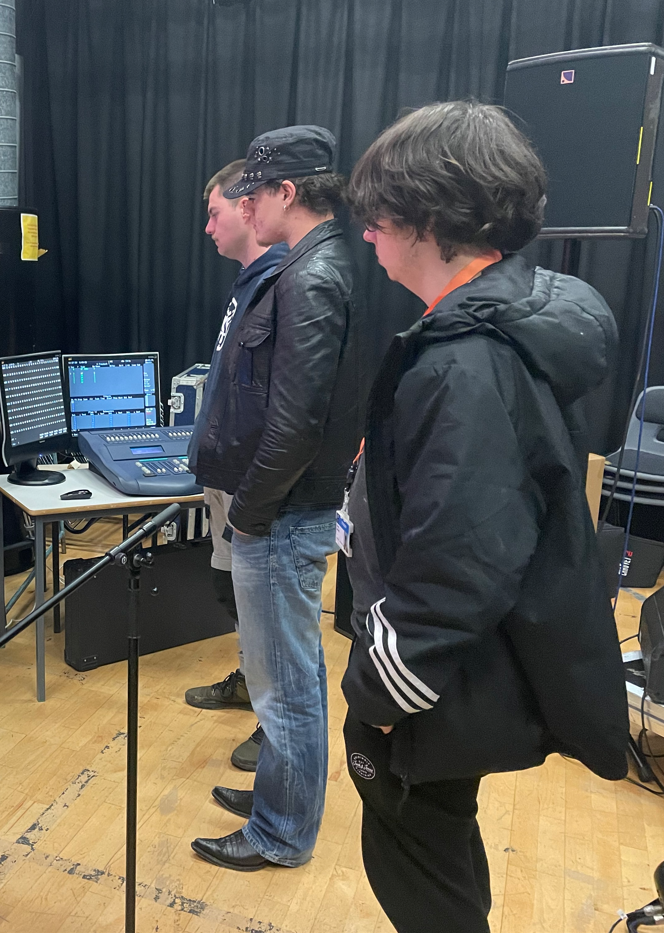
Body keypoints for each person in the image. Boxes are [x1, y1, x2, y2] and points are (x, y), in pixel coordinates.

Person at [342, 100, 628, 931]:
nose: (368, 235)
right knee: (438, 850)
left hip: (432, 679)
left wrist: (378, 691)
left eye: (381, 217)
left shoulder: (465, 363)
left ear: (429, 218)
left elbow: (461, 562)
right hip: (450, 664)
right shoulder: (492, 320)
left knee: (420, 870)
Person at [188, 126, 363, 871]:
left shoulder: (309, 276)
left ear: (286, 193)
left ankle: (279, 832)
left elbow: (294, 423)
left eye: (252, 195)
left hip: (282, 516)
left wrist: (252, 512)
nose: (242, 208)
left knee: (286, 685)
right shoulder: (305, 269)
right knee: (281, 678)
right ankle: (275, 794)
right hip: (278, 511)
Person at [184, 159, 288, 773]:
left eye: (214, 213)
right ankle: (250, 683)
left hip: (254, 492)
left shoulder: (282, 284)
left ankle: (274, 726)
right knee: (232, 593)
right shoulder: (246, 285)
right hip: (224, 482)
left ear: (248, 209)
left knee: (271, 618)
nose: (208, 228)